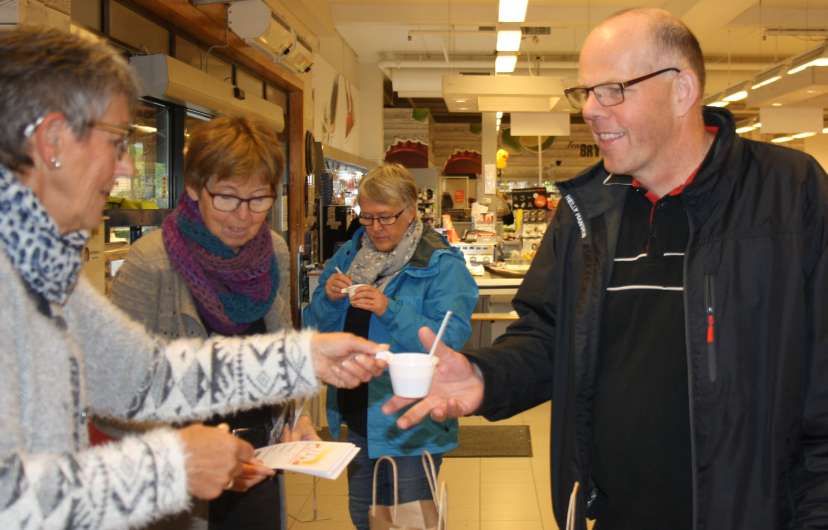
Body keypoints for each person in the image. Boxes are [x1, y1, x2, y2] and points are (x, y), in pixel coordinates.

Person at [383, 8, 828, 530]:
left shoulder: (790, 195)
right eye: (586, 93)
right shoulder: (588, 211)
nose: (590, 110)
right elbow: (549, 337)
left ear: (682, 90)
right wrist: (485, 374)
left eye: (613, 90)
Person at [0, 25, 385, 530]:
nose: (124, 168)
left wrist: (301, 358)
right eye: (116, 142)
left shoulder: (44, 272)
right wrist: (171, 467)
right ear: (52, 140)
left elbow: (145, 374)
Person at [99, 115, 315, 530]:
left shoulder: (274, 251)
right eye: (227, 197)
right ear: (195, 188)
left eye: (260, 199)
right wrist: (189, 455)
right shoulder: (151, 263)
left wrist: (298, 417)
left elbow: (282, 350)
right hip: (184, 474)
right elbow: (112, 396)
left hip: (260, 460)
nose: (244, 215)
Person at [304, 162, 478, 530]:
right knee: (363, 515)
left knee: (409, 518)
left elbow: (449, 340)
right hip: (358, 412)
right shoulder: (349, 256)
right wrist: (329, 300)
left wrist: (389, 309)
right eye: (366, 217)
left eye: (385, 217)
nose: (375, 228)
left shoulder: (441, 264)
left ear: (411, 212)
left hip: (412, 419)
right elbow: (312, 330)